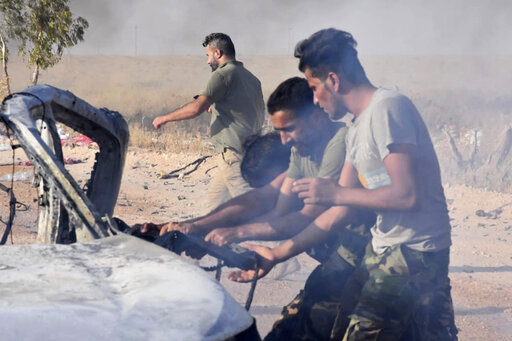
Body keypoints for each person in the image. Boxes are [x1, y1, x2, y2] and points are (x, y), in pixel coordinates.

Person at [230, 29, 458, 340]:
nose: (313, 99)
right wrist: (276, 254)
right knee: (334, 321)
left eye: (314, 88)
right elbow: (340, 211)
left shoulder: (389, 108)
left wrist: (336, 191)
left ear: (334, 81)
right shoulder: (356, 129)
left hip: (416, 252)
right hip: (384, 248)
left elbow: (407, 196)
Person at [144, 77, 375, 340]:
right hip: (346, 260)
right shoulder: (301, 152)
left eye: (289, 129)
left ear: (315, 117)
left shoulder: (340, 143)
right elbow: (269, 206)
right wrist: (198, 228)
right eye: (280, 132)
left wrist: (238, 234)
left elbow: (308, 216)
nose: (284, 140)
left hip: (371, 258)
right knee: (292, 327)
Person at [152, 33, 265, 212]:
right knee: (214, 206)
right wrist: (218, 107)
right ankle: (216, 238)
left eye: (208, 55)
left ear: (217, 53)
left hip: (233, 153)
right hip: (248, 150)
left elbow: (196, 108)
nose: (207, 61)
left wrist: (164, 118)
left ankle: (278, 235)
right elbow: (247, 110)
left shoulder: (222, 75)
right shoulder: (251, 78)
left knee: (251, 206)